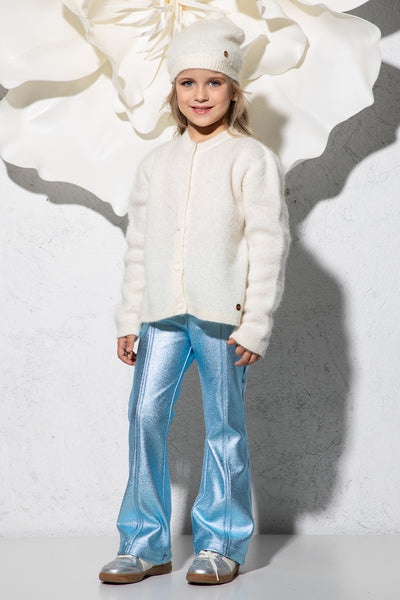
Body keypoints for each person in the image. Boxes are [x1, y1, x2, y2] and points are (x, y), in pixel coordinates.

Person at [99, 16, 290, 586]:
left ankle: (221, 542)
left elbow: (269, 246)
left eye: (214, 82)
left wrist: (256, 324)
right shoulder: (156, 164)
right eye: (188, 82)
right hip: (161, 315)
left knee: (223, 425)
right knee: (144, 416)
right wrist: (129, 317)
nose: (200, 95)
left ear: (234, 90)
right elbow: (139, 247)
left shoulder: (250, 158)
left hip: (223, 318)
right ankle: (144, 543)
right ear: (174, 90)